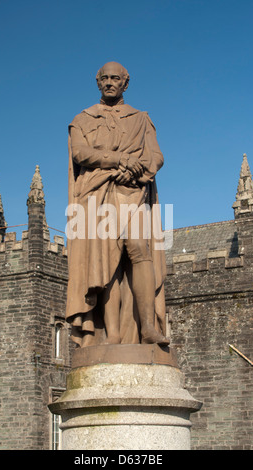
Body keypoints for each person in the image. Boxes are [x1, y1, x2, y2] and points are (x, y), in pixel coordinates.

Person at [66, 62, 169, 348]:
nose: (110, 82)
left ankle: (147, 326)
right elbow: (80, 153)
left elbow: (156, 157)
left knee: (139, 248)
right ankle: (112, 334)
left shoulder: (141, 119)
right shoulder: (83, 119)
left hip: (133, 191)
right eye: (105, 78)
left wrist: (137, 171)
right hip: (97, 195)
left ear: (126, 83)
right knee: (106, 262)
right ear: (97, 82)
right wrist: (119, 161)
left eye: (116, 78)